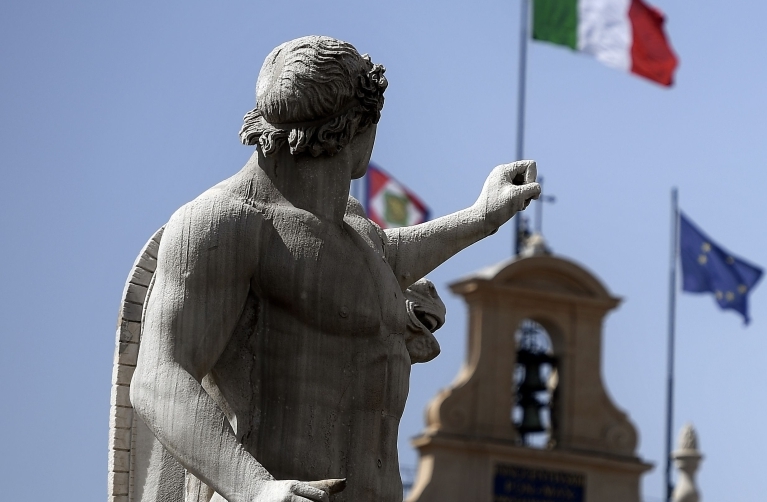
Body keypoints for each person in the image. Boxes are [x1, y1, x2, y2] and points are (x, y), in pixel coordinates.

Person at [131, 36, 540, 502]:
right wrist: (254, 488)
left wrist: (481, 217)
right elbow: (158, 378)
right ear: (361, 127)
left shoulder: (352, 230)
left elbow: (384, 259)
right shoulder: (226, 222)